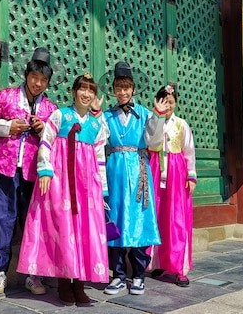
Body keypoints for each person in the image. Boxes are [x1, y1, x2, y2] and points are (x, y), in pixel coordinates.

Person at [16, 73, 110, 305]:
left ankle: (79, 285)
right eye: (82, 89)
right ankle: (63, 285)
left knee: (83, 231)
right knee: (63, 228)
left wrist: (103, 191)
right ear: (73, 92)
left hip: (86, 187)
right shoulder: (59, 115)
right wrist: (45, 171)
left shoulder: (96, 125)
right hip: (60, 182)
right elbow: (46, 143)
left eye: (91, 91)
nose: (86, 94)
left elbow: (100, 159)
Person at [0, 47, 58, 295]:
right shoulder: (5, 97)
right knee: (1, 219)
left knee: (34, 222)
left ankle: (33, 274)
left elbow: (57, 138)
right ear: (26, 74)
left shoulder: (51, 109)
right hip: (3, 167)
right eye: (35, 77)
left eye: (43, 80)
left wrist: (42, 128)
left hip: (35, 172)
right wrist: (8, 126)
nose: (38, 83)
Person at [102, 61, 168, 296]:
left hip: (139, 170)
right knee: (115, 219)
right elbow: (100, 141)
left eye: (126, 87)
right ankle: (118, 275)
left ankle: (138, 275)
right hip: (115, 170)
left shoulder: (145, 114)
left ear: (133, 89)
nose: (122, 92)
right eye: (118, 87)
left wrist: (159, 116)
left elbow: (154, 142)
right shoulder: (106, 115)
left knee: (140, 220)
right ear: (113, 90)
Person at [147, 84, 196, 287]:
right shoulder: (152, 121)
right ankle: (158, 262)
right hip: (155, 169)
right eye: (163, 101)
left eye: (170, 102)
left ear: (176, 103)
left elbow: (189, 150)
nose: (167, 105)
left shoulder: (181, 124)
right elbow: (151, 143)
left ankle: (179, 268)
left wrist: (191, 176)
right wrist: (157, 118)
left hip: (176, 172)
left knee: (177, 218)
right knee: (157, 215)